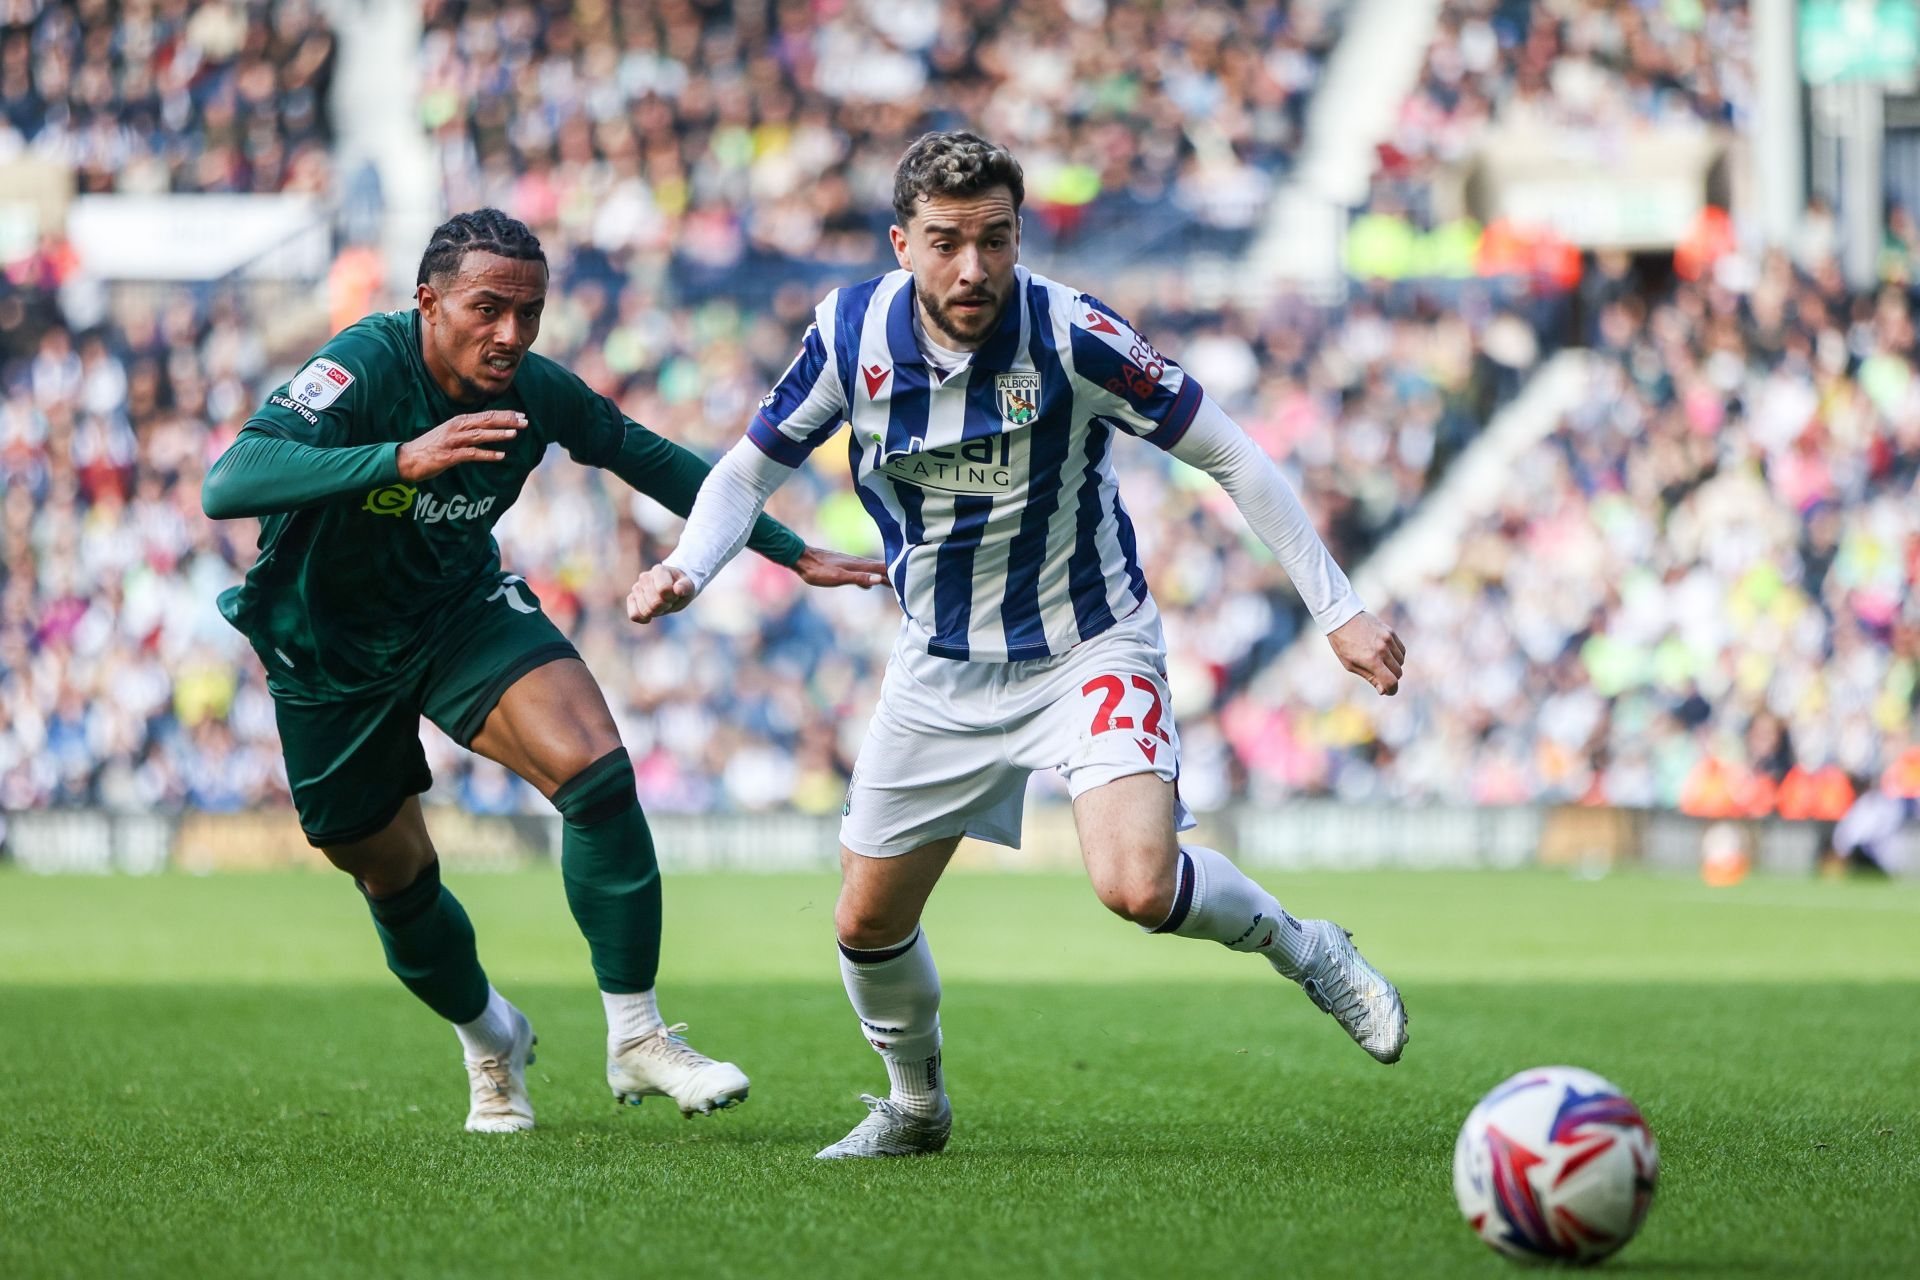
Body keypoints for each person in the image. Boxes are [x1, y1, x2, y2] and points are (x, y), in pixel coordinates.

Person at [626, 133, 1410, 1159]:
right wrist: (690, 565)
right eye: (947, 242)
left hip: (1088, 643)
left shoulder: (1072, 332)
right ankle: (915, 1105)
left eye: (994, 240)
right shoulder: (847, 331)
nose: (972, 269)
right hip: (941, 662)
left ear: (1018, 237)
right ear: (903, 243)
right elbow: (744, 471)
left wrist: (1338, 607)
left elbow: (1229, 449)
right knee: (864, 924)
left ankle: (1308, 947)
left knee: (1136, 883)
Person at [202, 209, 885, 1133]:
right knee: (391, 876)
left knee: (597, 770)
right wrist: (400, 457)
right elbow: (229, 481)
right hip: (325, 653)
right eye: (488, 310)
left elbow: (645, 454)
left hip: (457, 613)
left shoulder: (535, 389)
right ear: (427, 304)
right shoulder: (361, 367)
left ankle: (637, 1035)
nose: (511, 335)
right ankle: (490, 1036)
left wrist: (787, 548)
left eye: (530, 312)